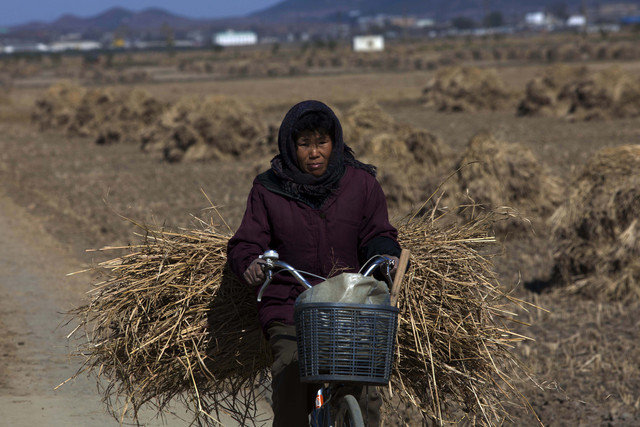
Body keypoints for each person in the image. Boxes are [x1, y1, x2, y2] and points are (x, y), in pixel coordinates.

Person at [227, 100, 401, 426]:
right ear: (291, 147)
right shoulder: (268, 189)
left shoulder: (361, 184)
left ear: (334, 143)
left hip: (348, 304)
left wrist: (386, 255)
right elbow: (246, 242)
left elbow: (378, 232)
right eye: (304, 144)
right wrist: (250, 263)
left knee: (365, 388)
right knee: (291, 371)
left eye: (321, 142)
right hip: (291, 307)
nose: (314, 152)